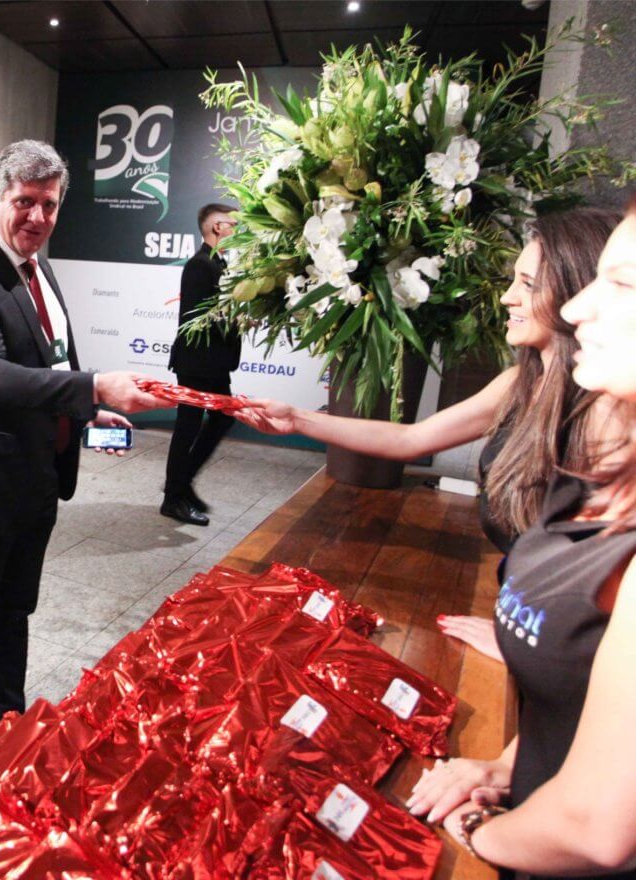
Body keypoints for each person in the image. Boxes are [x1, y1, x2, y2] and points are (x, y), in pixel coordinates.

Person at [232, 208, 620, 661]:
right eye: (513, 280)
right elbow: (411, 440)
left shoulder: (608, 413)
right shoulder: (519, 383)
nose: (507, 298)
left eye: (528, 284)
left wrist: (526, 642)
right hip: (524, 613)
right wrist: (297, 420)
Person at [0, 140, 165, 785]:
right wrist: (94, 388)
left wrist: (84, 415)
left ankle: (1, 730)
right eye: (24, 202)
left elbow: (50, 365)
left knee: (12, 611)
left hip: (36, 477)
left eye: (49, 204)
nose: (37, 216)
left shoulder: (40, 270)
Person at [406, 195, 636, 877]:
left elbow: (593, 828)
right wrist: (507, 766)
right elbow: (587, 704)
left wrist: (478, 831)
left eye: (621, 284)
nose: (578, 308)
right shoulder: (596, 471)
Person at [161, 203, 241, 526]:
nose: (237, 230)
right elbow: (196, 318)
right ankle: (173, 498)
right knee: (188, 427)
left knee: (222, 418)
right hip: (197, 361)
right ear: (217, 227)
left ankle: (182, 483)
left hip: (213, 363)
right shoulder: (199, 265)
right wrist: (237, 316)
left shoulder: (217, 263)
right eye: (233, 224)